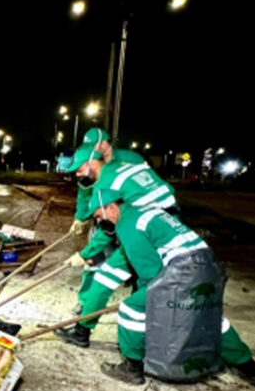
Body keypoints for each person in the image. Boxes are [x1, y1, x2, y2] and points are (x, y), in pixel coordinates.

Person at [86, 187, 255, 387]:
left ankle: (131, 368)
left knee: (131, 307)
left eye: (100, 216)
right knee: (209, 316)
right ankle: (249, 367)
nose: (101, 222)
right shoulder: (142, 210)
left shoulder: (127, 224)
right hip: (208, 264)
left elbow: (150, 274)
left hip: (183, 269)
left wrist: (145, 300)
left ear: (111, 207)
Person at [58, 129, 177, 347]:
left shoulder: (104, 187)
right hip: (165, 224)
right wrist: (80, 217)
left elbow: (106, 231)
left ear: (94, 160)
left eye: (79, 169)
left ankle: (139, 349)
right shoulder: (126, 167)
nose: (76, 174)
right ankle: (82, 330)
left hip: (147, 235)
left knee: (141, 288)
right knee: (114, 280)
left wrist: (84, 255)